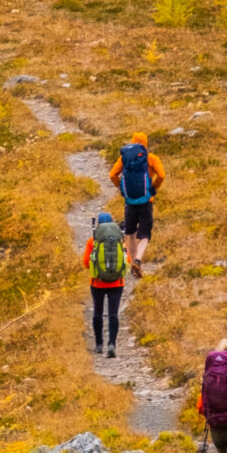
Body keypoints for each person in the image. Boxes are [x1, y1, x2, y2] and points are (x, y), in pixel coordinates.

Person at [108, 134, 166, 276]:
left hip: (130, 202)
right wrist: (153, 188)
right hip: (146, 201)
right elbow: (162, 175)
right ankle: (138, 260)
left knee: (130, 232)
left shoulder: (124, 159)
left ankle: (130, 262)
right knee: (145, 234)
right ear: (145, 144)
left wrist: (120, 189)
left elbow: (112, 175)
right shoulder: (151, 158)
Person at [83, 210, 128, 356]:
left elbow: (85, 263)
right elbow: (127, 260)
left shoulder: (93, 242)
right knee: (113, 314)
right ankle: (112, 344)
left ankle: (99, 344)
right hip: (117, 283)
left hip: (97, 283)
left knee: (98, 312)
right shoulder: (120, 241)